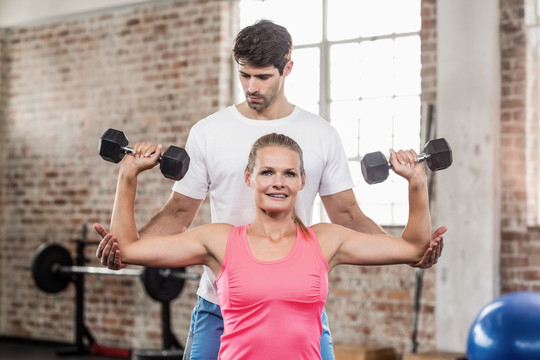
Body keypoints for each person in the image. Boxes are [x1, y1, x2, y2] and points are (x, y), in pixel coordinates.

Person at [94, 19, 446, 360]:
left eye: (263, 77)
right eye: (244, 75)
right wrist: (129, 248)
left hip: (297, 302)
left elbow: (349, 216)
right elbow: (178, 213)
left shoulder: (321, 134)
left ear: (287, 68)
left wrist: (403, 250)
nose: (252, 88)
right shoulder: (209, 131)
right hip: (221, 303)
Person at [100, 132, 440, 360]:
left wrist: (416, 182)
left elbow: (412, 247)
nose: (278, 182)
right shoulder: (219, 241)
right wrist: (128, 175)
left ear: (302, 182)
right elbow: (128, 248)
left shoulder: (325, 241)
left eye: (289, 174)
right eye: (267, 172)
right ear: (249, 178)